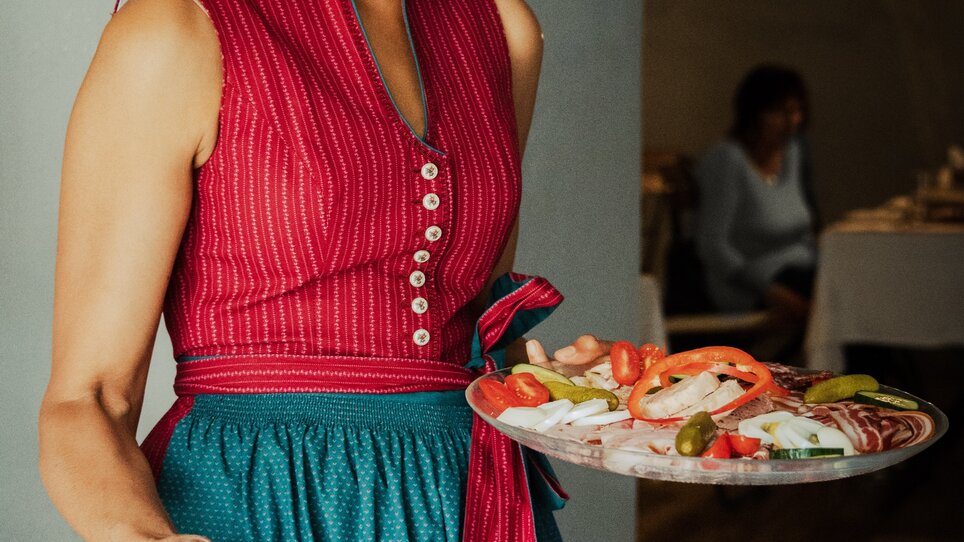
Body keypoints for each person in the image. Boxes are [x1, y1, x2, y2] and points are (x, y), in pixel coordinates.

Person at [38, 1, 612, 541]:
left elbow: (463, 330)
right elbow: (88, 399)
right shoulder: (176, 23)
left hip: (463, 497)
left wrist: (567, 391)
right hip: (252, 496)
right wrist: (146, 538)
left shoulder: (502, 24)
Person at [693, 64, 819, 326]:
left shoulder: (793, 153)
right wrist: (771, 290)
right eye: (781, 112)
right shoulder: (727, 160)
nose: (792, 122)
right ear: (756, 113)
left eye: (797, 112)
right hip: (750, 285)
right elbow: (713, 246)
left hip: (800, 271)